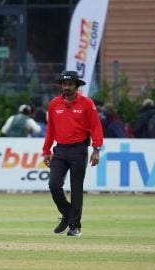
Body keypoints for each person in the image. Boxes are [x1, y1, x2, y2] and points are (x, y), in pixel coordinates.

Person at [42, 70, 103, 237]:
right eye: (64, 84)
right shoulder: (54, 104)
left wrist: (96, 149)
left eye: (69, 84)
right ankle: (68, 213)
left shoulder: (86, 103)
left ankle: (75, 226)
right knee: (54, 185)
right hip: (60, 150)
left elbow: (96, 126)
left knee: (76, 188)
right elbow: (51, 130)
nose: (66, 87)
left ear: (76, 86)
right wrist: (46, 150)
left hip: (78, 149)